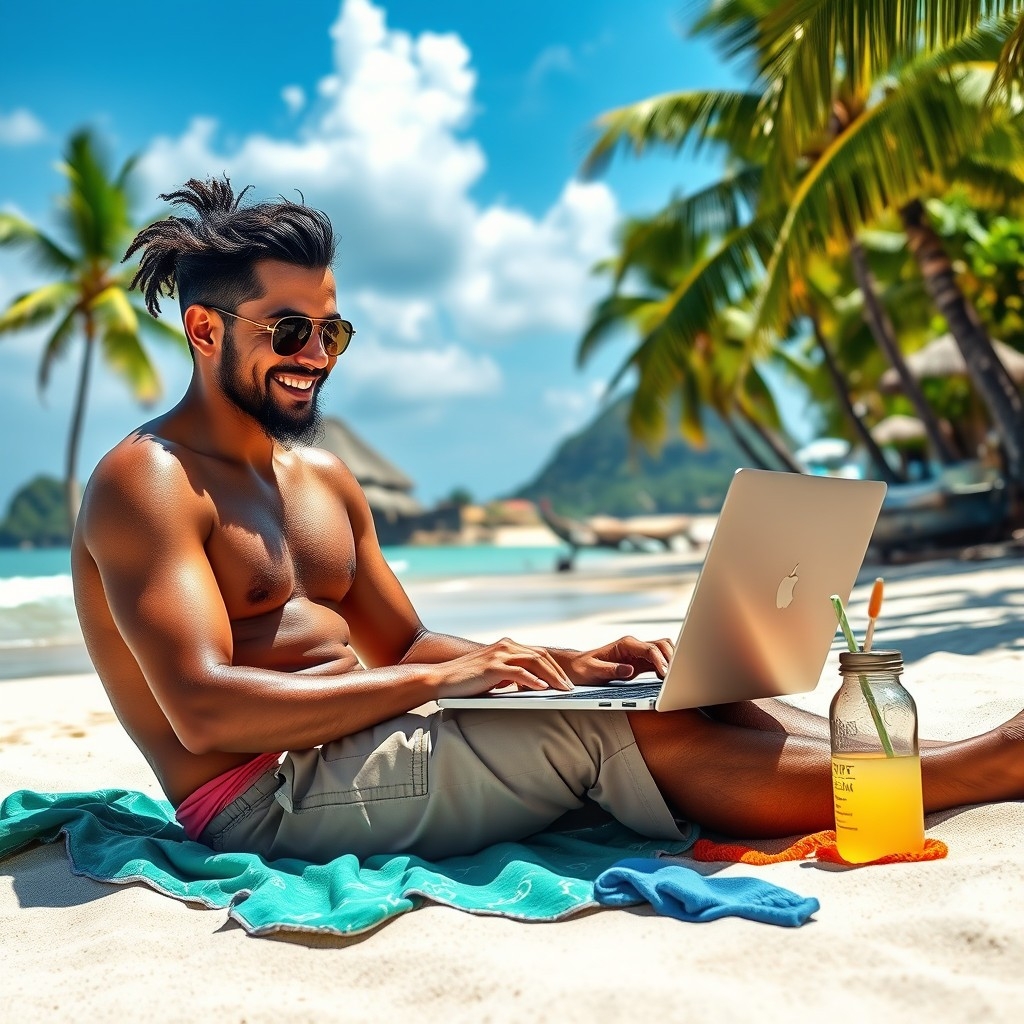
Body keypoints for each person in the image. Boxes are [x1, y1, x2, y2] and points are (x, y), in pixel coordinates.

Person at [71, 179, 1024, 865]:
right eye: (290, 331)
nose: (317, 354)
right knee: (607, 738)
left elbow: (400, 641)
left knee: (667, 694)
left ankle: (942, 760)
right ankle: (983, 768)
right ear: (204, 331)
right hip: (266, 796)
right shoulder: (149, 483)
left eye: (333, 331)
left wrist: (561, 664)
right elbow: (206, 706)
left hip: (367, 743)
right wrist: (445, 681)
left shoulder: (320, 476)